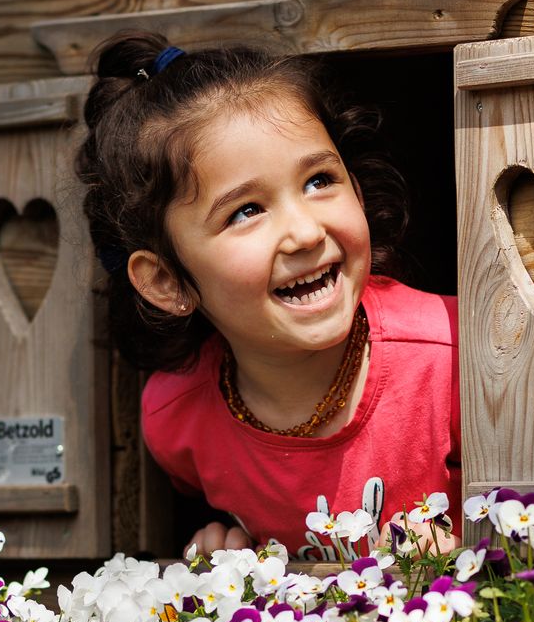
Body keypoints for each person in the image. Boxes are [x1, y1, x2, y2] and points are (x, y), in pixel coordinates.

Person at [76, 32, 460, 561]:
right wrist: (223, 550)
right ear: (166, 281)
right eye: (246, 211)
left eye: (319, 180)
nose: (304, 233)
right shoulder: (179, 422)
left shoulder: (458, 362)